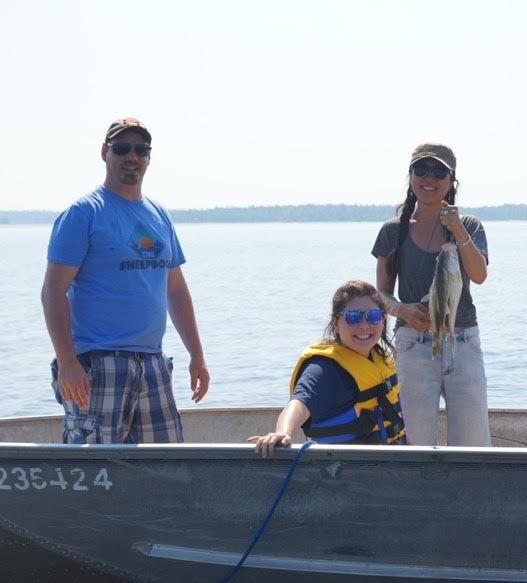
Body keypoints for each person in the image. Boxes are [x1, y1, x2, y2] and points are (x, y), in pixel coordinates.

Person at [41, 117, 209, 444]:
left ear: (148, 157)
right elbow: (52, 292)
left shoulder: (159, 215)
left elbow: (175, 289)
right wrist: (67, 362)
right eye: (122, 148)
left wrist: (197, 356)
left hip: (152, 366)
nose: (132, 156)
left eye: (141, 150)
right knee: (96, 471)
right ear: (105, 152)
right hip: (97, 365)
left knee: (167, 469)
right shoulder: (83, 213)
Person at [372, 143, 491, 446]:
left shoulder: (470, 226)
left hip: (463, 342)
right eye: (421, 169)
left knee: (473, 445)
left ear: (451, 181)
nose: (430, 177)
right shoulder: (391, 231)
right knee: (414, 443)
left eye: (439, 171)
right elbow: (381, 296)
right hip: (413, 346)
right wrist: (403, 310)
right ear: (410, 177)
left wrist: (458, 230)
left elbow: (479, 276)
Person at [249, 280, 405, 456]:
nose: (363, 325)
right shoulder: (324, 369)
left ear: (383, 321)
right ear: (335, 323)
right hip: (343, 469)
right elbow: (299, 404)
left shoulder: (379, 358)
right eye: (352, 317)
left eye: (373, 316)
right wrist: (283, 433)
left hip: (390, 461)